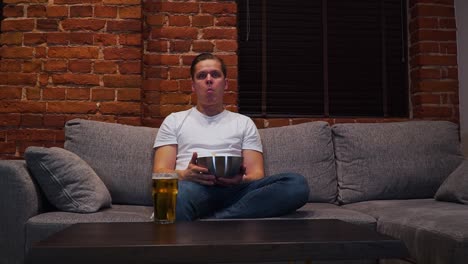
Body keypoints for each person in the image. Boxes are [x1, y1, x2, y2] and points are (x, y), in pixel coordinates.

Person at [153, 52, 309, 221]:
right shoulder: (174, 120)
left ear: (225, 83)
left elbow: (256, 174)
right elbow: (160, 173)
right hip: (193, 188)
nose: (209, 79)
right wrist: (185, 175)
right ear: (193, 85)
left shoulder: (244, 122)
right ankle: (228, 218)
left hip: (237, 192)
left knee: (296, 184)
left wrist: (240, 180)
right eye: (201, 76)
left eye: (215, 74)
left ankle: (217, 219)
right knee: (174, 195)